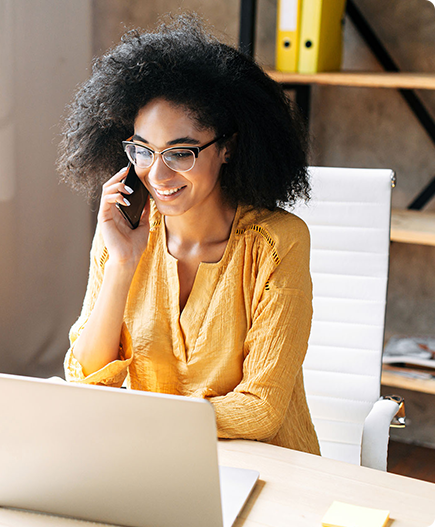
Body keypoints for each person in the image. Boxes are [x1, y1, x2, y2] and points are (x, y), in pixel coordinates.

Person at [57, 14, 320, 455]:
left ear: (228, 147)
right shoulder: (119, 237)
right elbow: (85, 378)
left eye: (180, 153)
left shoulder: (277, 243)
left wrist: (142, 421)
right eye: (142, 149)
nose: (156, 174)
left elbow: (260, 409)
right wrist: (122, 265)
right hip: (158, 459)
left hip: (268, 470)